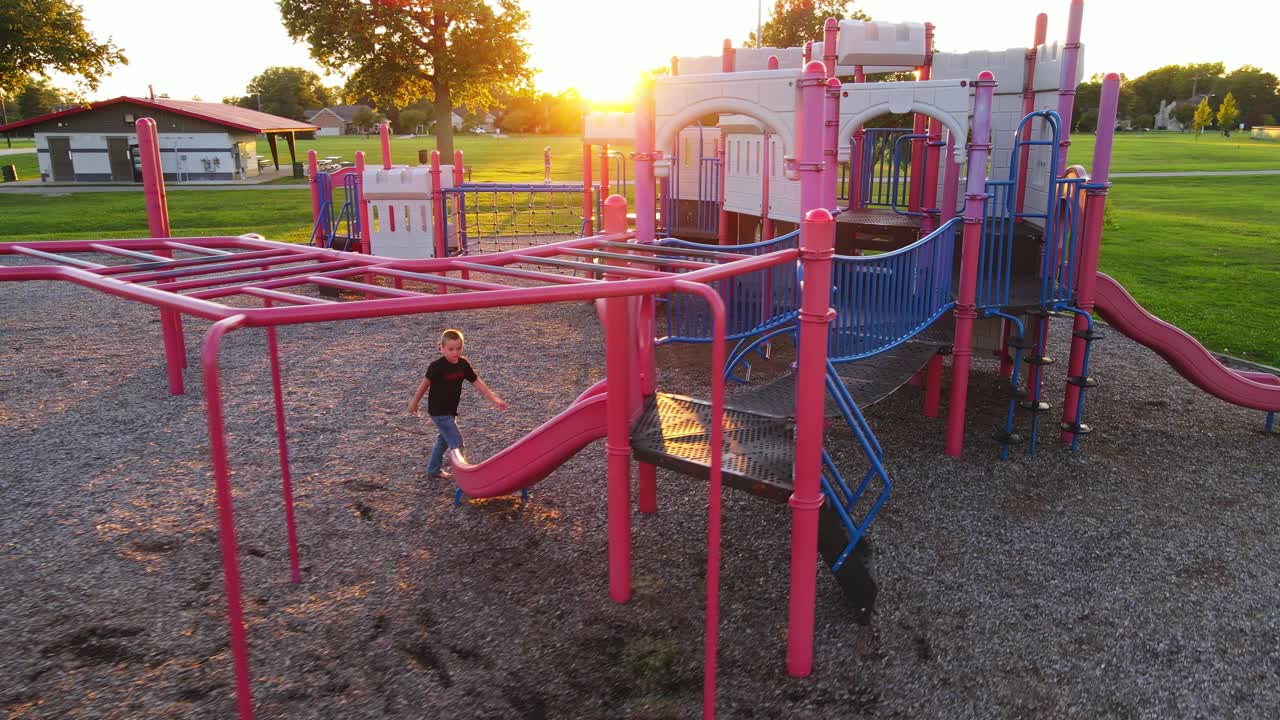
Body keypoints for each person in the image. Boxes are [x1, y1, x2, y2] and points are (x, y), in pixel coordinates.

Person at [408, 329, 506, 480]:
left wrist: (493, 398)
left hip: (450, 410)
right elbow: (424, 384)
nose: (455, 352)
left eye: (459, 348)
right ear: (442, 348)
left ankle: (433, 469)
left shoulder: (463, 365)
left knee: (443, 439)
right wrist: (414, 402)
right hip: (439, 411)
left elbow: (477, 382)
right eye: (451, 349)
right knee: (457, 442)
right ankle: (465, 476)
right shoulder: (437, 366)